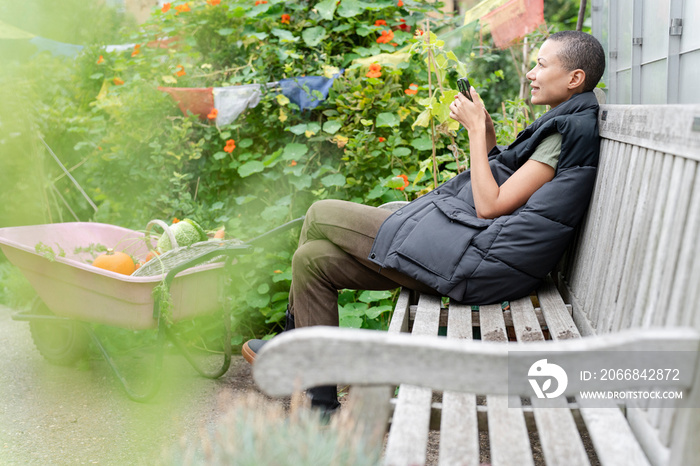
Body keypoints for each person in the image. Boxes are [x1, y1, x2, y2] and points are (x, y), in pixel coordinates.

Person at [243, 30, 606, 414]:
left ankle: (288, 342)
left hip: (484, 264)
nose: (532, 73)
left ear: (574, 79)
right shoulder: (568, 120)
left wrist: (470, 133)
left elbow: (491, 204)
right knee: (312, 260)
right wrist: (485, 133)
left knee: (320, 213)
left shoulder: (567, 132)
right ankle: (320, 407)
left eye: (541, 64)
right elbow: (508, 183)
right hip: (481, 252)